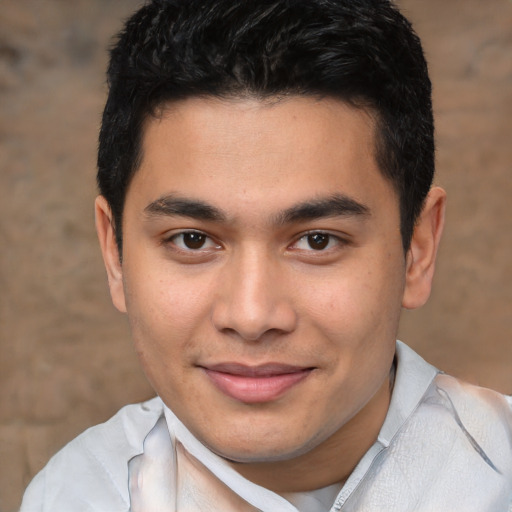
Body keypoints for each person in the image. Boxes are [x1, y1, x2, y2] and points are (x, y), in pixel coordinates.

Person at [20, 0, 512, 510]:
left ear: (418, 249)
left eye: (317, 240)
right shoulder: (75, 495)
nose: (252, 316)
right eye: (192, 240)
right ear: (114, 253)